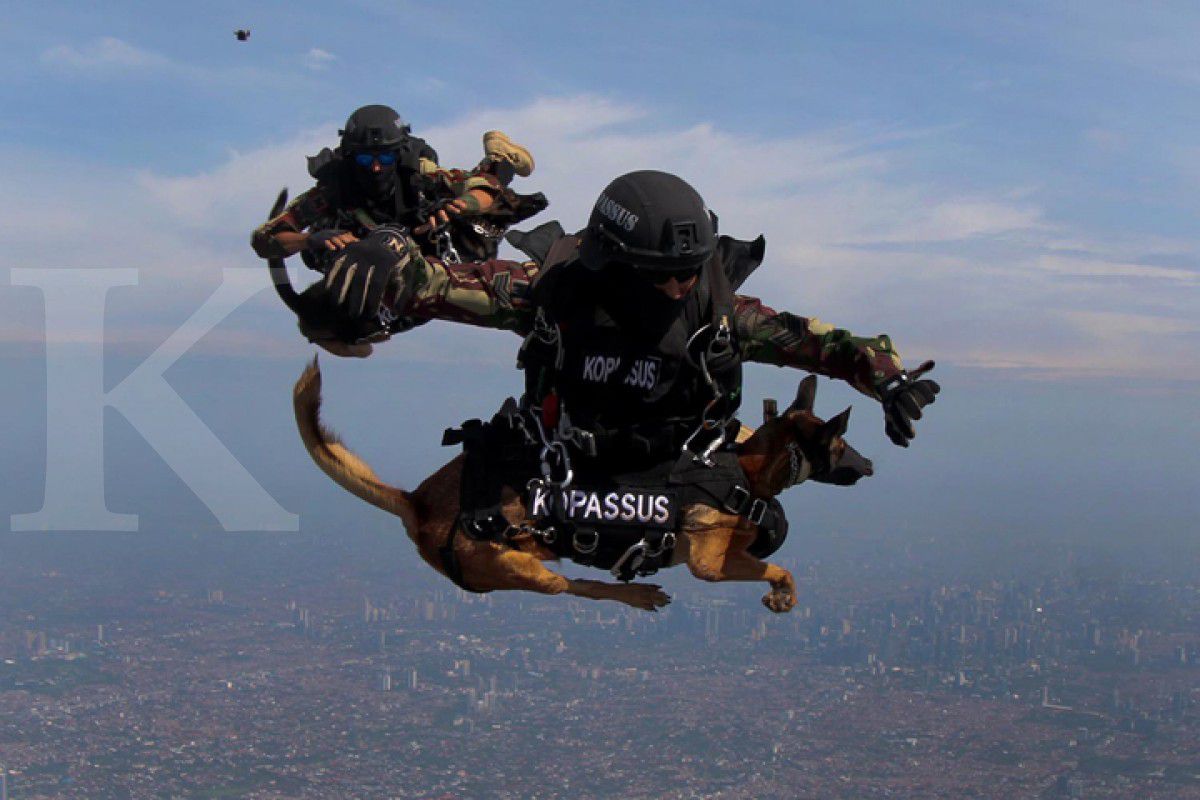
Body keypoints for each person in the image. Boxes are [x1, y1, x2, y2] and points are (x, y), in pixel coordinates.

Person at [294, 170, 938, 450]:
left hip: (679, 462)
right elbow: (442, 284)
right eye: (662, 274)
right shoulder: (555, 291)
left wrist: (886, 378)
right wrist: (387, 250)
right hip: (564, 459)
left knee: (764, 521)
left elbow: (817, 343)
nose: (680, 286)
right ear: (615, 261)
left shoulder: (717, 315)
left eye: (691, 270)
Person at [251, 104, 544, 269]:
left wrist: (461, 205)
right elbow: (265, 239)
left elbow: (480, 187)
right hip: (373, 258)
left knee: (488, 215)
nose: (376, 168)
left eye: (385, 158)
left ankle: (499, 156)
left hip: (422, 236)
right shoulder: (332, 190)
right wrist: (309, 240)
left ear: (398, 154)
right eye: (366, 159)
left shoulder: (417, 172)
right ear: (351, 156)